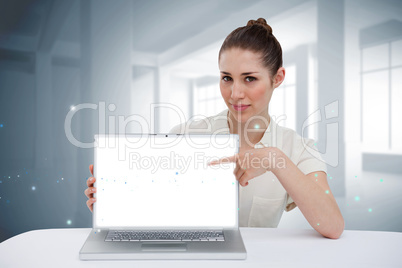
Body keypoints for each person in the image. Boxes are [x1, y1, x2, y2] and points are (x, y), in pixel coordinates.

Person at [85, 18, 344, 239]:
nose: (235, 94)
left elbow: (332, 226)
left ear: (277, 78)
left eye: (250, 79)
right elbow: (152, 211)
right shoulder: (185, 136)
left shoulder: (297, 150)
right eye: (227, 78)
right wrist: (113, 200)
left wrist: (274, 160)